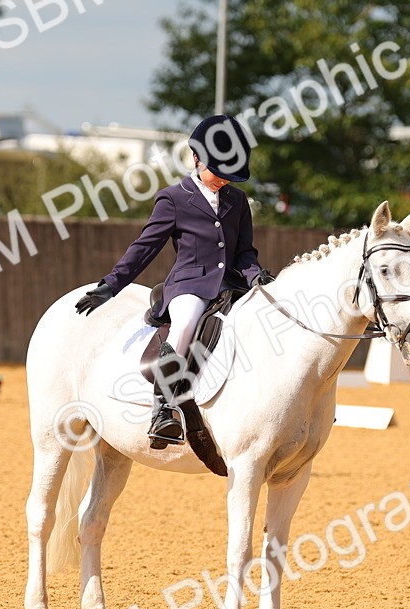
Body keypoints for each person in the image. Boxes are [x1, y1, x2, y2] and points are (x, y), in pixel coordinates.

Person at [74, 114, 274, 449]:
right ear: (196, 157)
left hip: (232, 285)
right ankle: (162, 409)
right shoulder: (174, 198)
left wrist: (257, 276)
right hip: (190, 286)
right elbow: (144, 248)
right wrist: (110, 285)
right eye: (218, 172)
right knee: (184, 326)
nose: (224, 180)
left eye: (230, 175)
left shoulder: (237, 201)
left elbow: (244, 252)